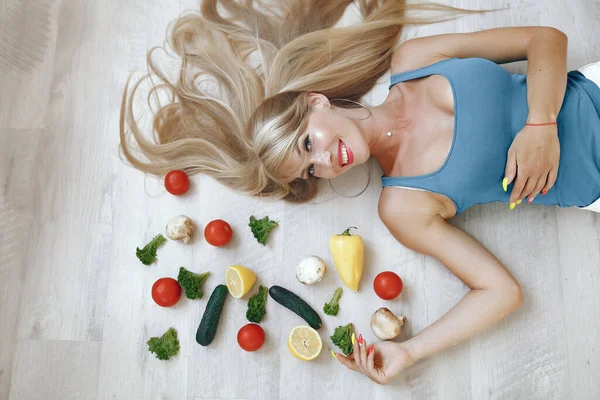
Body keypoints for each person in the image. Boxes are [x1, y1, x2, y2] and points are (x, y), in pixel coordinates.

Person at [119, 0, 600, 385]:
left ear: (317, 101)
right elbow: (501, 291)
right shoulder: (404, 205)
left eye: (311, 143)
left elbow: (545, 40)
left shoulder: (413, 61)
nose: (325, 162)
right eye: (310, 169)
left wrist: (541, 124)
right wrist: (409, 350)